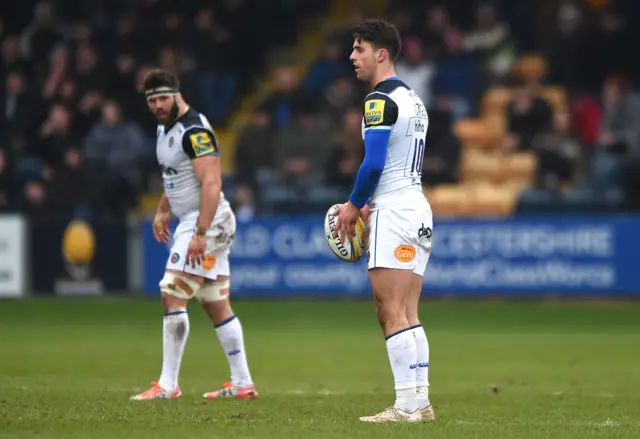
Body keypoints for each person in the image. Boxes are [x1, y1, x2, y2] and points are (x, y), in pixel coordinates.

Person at [130, 69, 258, 401]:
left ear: (177, 94)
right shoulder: (164, 127)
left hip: (207, 220)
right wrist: (162, 208)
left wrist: (201, 232)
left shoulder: (194, 130)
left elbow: (212, 183)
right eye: (151, 100)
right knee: (216, 302)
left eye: (162, 98)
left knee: (172, 292)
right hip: (196, 218)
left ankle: (168, 386)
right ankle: (243, 383)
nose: (157, 105)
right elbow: (175, 175)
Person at [332, 20, 434, 423]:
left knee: (389, 308)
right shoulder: (413, 99)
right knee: (408, 310)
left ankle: (406, 405)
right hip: (416, 208)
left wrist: (354, 205)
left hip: (394, 210)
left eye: (359, 48)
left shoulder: (378, 100)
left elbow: (373, 162)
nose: (351, 56)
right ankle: (419, 402)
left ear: (381, 54)